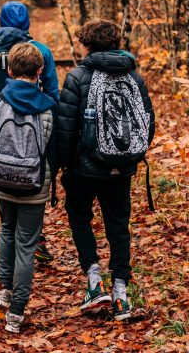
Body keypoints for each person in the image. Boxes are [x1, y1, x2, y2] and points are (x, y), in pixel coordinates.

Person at [56, 19, 155, 321]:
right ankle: (121, 296)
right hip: (121, 170)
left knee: (79, 218)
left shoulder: (77, 77)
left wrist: (61, 163)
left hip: (84, 168)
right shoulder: (134, 77)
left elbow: (66, 128)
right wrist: (129, 156)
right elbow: (147, 122)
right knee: (118, 226)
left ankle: (94, 281)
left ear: (86, 44)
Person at [0, 42, 58, 333]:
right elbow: (56, 151)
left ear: (10, 71)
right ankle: (16, 313)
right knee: (27, 244)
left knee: (7, 230)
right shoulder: (50, 108)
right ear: (40, 71)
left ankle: (3, 290)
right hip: (35, 185)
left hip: (1, 180)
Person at [0, 0, 58, 263]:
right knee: (33, 175)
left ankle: (10, 229)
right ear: (27, 21)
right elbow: (53, 92)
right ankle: (35, 238)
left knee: (3, 174)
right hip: (36, 127)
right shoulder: (41, 51)